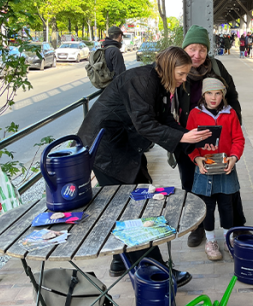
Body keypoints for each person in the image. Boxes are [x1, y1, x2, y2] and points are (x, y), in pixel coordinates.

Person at [77, 47, 213, 284]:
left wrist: (191, 145)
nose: (183, 79)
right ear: (169, 68)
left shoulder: (159, 82)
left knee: (134, 201)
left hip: (125, 147)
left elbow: (166, 120)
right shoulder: (142, 80)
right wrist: (183, 138)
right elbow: (145, 124)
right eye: (181, 73)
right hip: (106, 149)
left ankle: (121, 260)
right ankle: (158, 271)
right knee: (135, 210)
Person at [176, 26, 242, 248]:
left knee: (226, 180)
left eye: (202, 49)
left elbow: (232, 95)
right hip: (186, 134)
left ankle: (236, 226)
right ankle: (198, 227)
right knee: (191, 181)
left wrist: (234, 124)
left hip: (218, 132)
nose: (197, 54)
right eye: (192, 49)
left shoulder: (216, 66)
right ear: (184, 48)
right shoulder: (177, 67)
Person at [187, 77, 246, 261]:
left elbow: (238, 139)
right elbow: (189, 142)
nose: (214, 98)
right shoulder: (195, 115)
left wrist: (234, 158)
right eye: (209, 93)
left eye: (218, 93)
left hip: (225, 168)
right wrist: (197, 158)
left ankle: (229, 239)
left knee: (227, 206)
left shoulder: (230, 114)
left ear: (223, 95)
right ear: (203, 95)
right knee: (207, 206)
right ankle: (210, 241)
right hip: (204, 168)